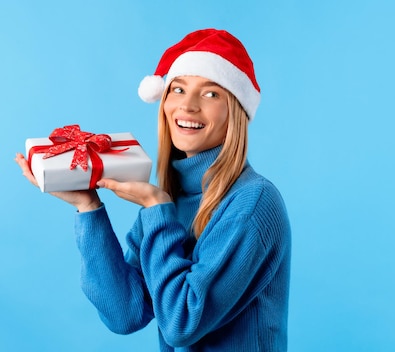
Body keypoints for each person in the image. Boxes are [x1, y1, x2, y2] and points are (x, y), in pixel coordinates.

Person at [15, 28, 291, 351]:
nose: (187, 106)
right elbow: (125, 313)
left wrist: (156, 208)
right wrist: (89, 208)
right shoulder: (169, 199)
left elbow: (181, 323)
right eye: (178, 89)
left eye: (211, 93)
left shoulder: (253, 204)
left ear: (236, 111)